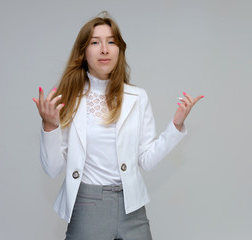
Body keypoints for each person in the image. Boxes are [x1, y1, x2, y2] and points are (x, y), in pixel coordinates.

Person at [32, 12, 203, 240]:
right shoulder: (68, 99)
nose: (104, 49)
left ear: (119, 50)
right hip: (87, 205)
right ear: (83, 52)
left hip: (131, 206)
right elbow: (53, 168)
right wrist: (49, 126)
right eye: (95, 42)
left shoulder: (137, 97)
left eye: (111, 42)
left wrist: (176, 126)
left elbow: (146, 160)